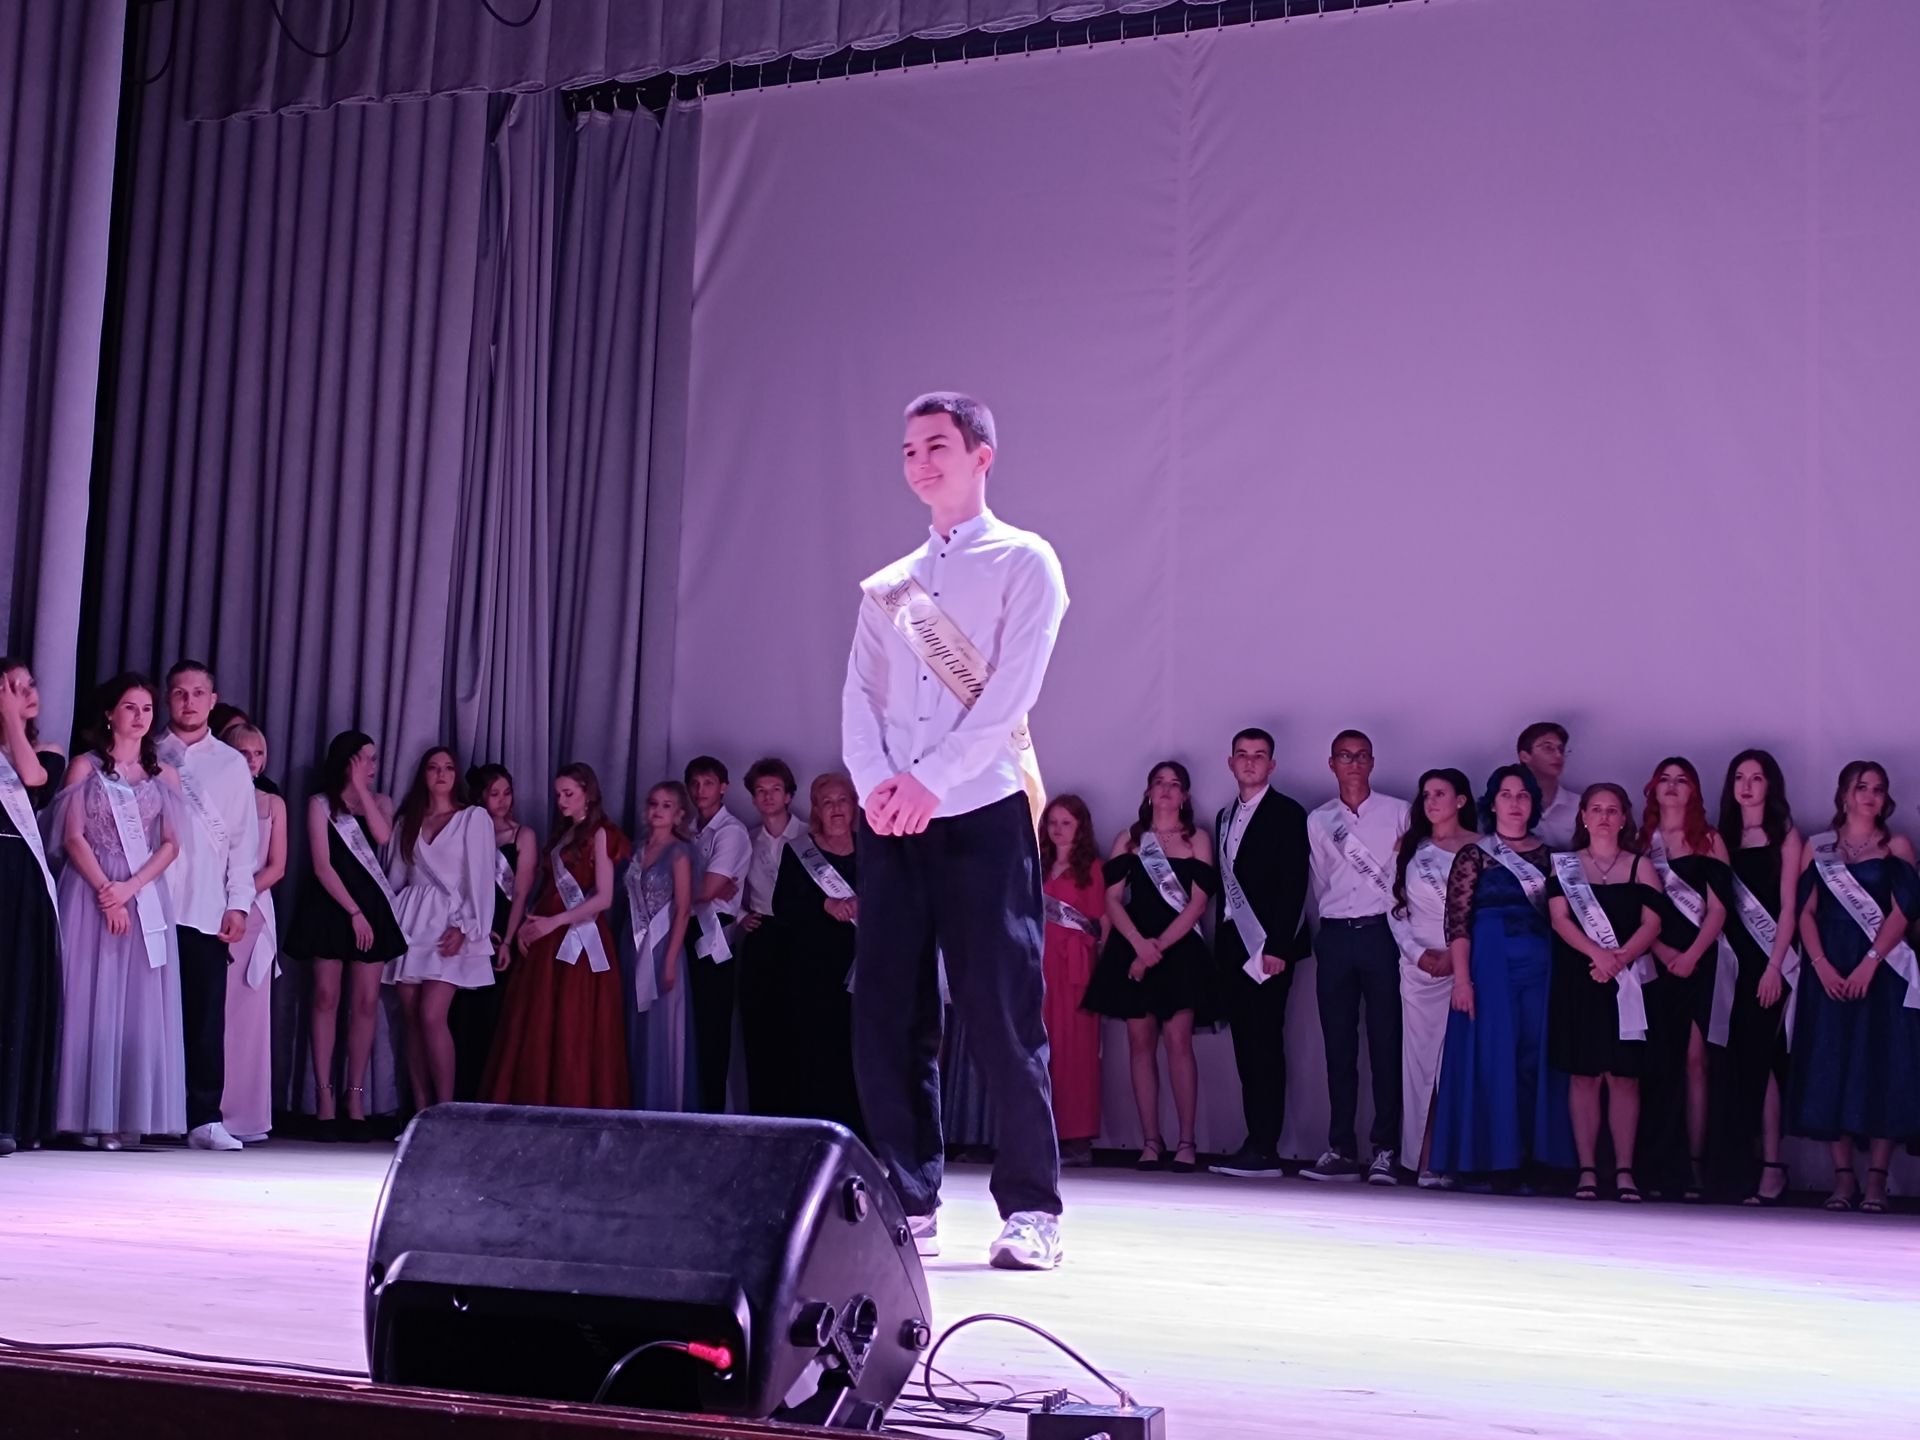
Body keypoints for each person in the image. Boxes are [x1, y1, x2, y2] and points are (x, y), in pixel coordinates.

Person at [841, 391, 1067, 1270]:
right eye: (908, 450)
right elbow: (860, 697)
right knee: (888, 1012)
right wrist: (877, 787)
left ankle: (1032, 1208)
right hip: (893, 817)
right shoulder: (889, 585)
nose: (920, 462)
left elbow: (1012, 694)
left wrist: (929, 782)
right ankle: (908, 1199)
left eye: (936, 445)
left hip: (980, 812)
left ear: (981, 455)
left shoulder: (1026, 560)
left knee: (1001, 1012)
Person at [48, 675, 186, 1148]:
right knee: (88, 997)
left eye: (147, 709)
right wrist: (108, 892)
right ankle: (77, 1115)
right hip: (90, 890)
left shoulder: (163, 775)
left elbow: (171, 844)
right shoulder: (84, 768)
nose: (140, 716)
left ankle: (120, 1117)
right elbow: (72, 837)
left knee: (134, 1005)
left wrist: (130, 888)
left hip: (141, 892)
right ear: (110, 713)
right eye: (130, 707)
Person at [1429, 765, 1572, 1186]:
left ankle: (1535, 1159)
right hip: (1488, 972)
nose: (1514, 802)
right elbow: (1457, 924)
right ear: (1492, 803)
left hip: (1541, 971)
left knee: (1535, 1059)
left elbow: (1563, 919)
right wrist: (1461, 980)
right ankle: (1493, 1160)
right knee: (1492, 1059)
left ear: (1533, 803)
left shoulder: (1553, 858)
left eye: (1523, 794)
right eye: (1506, 794)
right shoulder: (1474, 855)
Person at [1790, 761, 1920, 1215]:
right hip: (1828, 964)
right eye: (1861, 787)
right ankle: (1843, 1177)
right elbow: (1804, 912)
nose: (1870, 795)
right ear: (1844, 794)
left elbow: (1903, 912)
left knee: (1882, 1063)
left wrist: (1870, 963)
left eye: (1878, 789)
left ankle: (1877, 1180)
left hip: (1881, 967)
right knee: (1832, 1061)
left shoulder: (1896, 846)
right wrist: (1821, 965)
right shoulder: (1819, 847)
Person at [1082, 762, 1215, 1174]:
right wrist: (1139, 946)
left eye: (1175, 784)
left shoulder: (1198, 839)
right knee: (1139, 1044)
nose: (1166, 790)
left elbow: (1198, 903)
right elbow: (1111, 899)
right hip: (1133, 943)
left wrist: (1157, 948)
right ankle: (1151, 1142)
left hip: (1180, 947)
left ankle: (1187, 1142)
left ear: (1185, 796)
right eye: (1159, 783)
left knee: (1178, 1042)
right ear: (1148, 792)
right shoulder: (1130, 838)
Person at [482, 763, 630, 1109]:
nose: (561, 800)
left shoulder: (602, 833)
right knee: (539, 1024)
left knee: (572, 1023)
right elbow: (548, 888)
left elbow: (604, 898)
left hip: (578, 939)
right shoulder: (564, 832)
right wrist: (528, 925)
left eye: (568, 793)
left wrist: (554, 922)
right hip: (547, 937)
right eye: (558, 794)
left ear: (587, 793)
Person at [156, 661, 259, 1151]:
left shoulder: (231, 764)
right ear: (168, 698)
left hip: (204, 905)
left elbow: (243, 842)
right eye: (180, 693)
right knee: (149, 1014)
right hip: (152, 903)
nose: (189, 702)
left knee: (203, 1017)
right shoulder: (149, 752)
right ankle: (146, 1113)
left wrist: (238, 904)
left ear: (213, 701)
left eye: (199, 693)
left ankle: (203, 1117)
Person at [1545, 784, 1665, 1203]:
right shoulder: (1565, 866)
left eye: (1612, 810)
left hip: (1627, 982)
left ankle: (1625, 1171)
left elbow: (1653, 923)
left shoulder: (1641, 866)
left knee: (1624, 1077)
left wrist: (1620, 958)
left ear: (1624, 818)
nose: (1603, 817)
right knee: (1584, 1076)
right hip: (1581, 979)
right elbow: (1559, 919)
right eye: (1595, 809)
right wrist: (1598, 955)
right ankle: (1587, 1171)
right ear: (1583, 816)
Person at [1304, 729, 1410, 1184]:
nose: (1353, 763)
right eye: (1345, 756)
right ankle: (1341, 1148)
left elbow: (1407, 877)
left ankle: (1386, 1148)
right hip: (1335, 936)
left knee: (1386, 1042)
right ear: (1332, 764)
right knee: (1338, 1046)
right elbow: (1319, 880)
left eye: (1362, 755)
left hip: (1381, 933)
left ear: (1372, 762)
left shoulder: (1399, 812)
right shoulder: (1319, 819)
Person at [1208, 729, 1310, 1181]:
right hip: (1233, 945)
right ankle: (1254, 1140)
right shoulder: (1223, 817)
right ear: (1230, 762)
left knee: (1266, 1043)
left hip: (1268, 948)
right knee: (1245, 1046)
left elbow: (1294, 884)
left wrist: (1279, 947)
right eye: (1242, 755)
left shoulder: (1288, 813)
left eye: (1259, 755)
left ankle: (1266, 1146)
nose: (1250, 762)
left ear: (1272, 765)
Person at [294, 730, 405, 1140]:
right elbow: (322, 865)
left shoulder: (382, 802)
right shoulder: (319, 804)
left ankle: (355, 1097)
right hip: (331, 904)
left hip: (371, 907)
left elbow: (382, 836)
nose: (373, 766)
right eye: (366, 759)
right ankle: (323, 1097)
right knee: (325, 997)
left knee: (365, 1002)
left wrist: (361, 789)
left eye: (374, 759)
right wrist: (352, 912)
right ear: (348, 760)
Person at [1636, 757, 1733, 1203]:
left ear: (1694, 790)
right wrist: (1661, 951)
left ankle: (1694, 1165)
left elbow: (1718, 907)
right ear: (1653, 789)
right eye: (1665, 780)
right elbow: (1635, 909)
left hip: (1700, 961)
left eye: (1682, 780)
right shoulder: (1642, 843)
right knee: (1657, 1063)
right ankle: (1658, 1165)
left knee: (1696, 1061)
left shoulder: (1709, 840)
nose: (1673, 787)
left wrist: (1691, 955)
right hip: (1654, 961)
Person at [386, 747, 499, 1110]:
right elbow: (395, 879)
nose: (441, 774)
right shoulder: (408, 822)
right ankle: (420, 1109)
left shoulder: (472, 819)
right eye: (433, 767)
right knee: (411, 1018)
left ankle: (444, 1109)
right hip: (411, 921)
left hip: (450, 921)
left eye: (448, 767)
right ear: (424, 774)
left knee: (432, 1014)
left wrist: (467, 927)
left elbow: (480, 879)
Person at [1715, 750, 1805, 1205]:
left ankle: (1772, 1167)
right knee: (1735, 1062)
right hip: (1729, 961)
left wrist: (1774, 966)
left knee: (1764, 1059)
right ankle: (1738, 1165)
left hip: (1770, 961)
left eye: (1756, 777)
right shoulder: (1721, 836)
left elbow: (1789, 908)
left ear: (1771, 785)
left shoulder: (1785, 836)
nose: (1747, 786)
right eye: (1740, 777)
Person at [1389, 768, 1478, 1188]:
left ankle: (1455, 1158)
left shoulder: (1484, 847)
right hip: (1419, 969)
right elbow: (1394, 907)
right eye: (1426, 794)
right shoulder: (1411, 847)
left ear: (1461, 800)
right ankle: (1423, 1157)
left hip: (1466, 969)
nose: (1431, 801)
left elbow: (1485, 910)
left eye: (1440, 793)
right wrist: (1418, 954)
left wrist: (1457, 959)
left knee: (1458, 1065)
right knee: (1420, 1066)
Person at [768, 773, 865, 1136]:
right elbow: (782, 906)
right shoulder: (800, 851)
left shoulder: (872, 850)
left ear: (854, 807)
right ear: (816, 810)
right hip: (813, 968)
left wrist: (865, 903)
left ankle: (859, 1133)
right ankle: (817, 1132)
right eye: (828, 802)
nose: (836, 809)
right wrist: (825, 904)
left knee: (858, 1049)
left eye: (843, 801)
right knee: (816, 1048)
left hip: (863, 967)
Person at [0, 659, 63, 1158]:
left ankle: (9, 1117)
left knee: (14, 993)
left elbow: (32, 777)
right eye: (12, 688)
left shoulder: (49, 752)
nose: (26, 693)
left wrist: (10, 721)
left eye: (28, 685)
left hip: (20, 880)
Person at [217, 722, 286, 1144]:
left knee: (248, 1019)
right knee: (215, 1015)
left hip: (252, 913)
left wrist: (239, 897)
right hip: (212, 910)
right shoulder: (214, 798)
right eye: (243, 753)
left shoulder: (272, 803)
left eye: (258, 753)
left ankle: (245, 1115)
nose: (251, 761)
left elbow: (276, 867)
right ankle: (206, 1111)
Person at [451, 765, 536, 1100]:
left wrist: (508, 940)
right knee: (462, 1016)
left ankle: (490, 1097)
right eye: (494, 793)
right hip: (471, 930)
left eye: (507, 792)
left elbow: (521, 892)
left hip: (503, 933)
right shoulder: (467, 832)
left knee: (494, 1017)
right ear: (480, 797)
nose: (502, 800)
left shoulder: (522, 835)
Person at [614, 781, 697, 1111]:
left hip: (664, 947)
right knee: (633, 1021)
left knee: (661, 1026)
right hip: (632, 943)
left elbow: (683, 908)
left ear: (679, 815)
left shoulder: (679, 852)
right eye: (653, 803)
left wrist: (670, 960)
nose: (657, 810)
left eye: (666, 805)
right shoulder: (635, 850)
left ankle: (662, 1105)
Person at [1038, 794, 1106, 1167]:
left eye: (1066, 822)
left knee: (1076, 1053)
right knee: (1040, 1049)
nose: (1058, 829)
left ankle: (1077, 1139)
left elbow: (1100, 924)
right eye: (1053, 822)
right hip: (1039, 966)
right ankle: (1041, 1135)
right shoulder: (1037, 865)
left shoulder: (1092, 869)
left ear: (1080, 827)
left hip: (1075, 970)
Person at [739, 757, 806, 1115]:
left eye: (775, 789)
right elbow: (727, 886)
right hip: (763, 934)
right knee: (760, 1026)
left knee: (797, 1026)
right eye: (760, 791)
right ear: (753, 798)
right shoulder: (747, 839)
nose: (768, 797)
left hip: (800, 938)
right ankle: (763, 1115)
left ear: (789, 795)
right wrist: (740, 916)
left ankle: (798, 1114)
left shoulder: (809, 835)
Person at [684, 755, 750, 1114]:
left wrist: (701, 888)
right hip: (684, 928)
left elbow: (708, 890)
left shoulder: (731, 831)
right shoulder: (688, 829)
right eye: (694, 784)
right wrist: (700, 888)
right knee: (688, 1024)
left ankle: (710, 1112)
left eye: (708, 783)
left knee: (711, 1026)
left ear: (723, 787)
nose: (700, 790)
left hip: (714, 935)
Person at [1518, 723, 1578, 850]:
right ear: (1524, 756)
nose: (1558, 755)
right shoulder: (1509, 805)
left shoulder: (1580, 806)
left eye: (1561, 749)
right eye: (1548, 748)